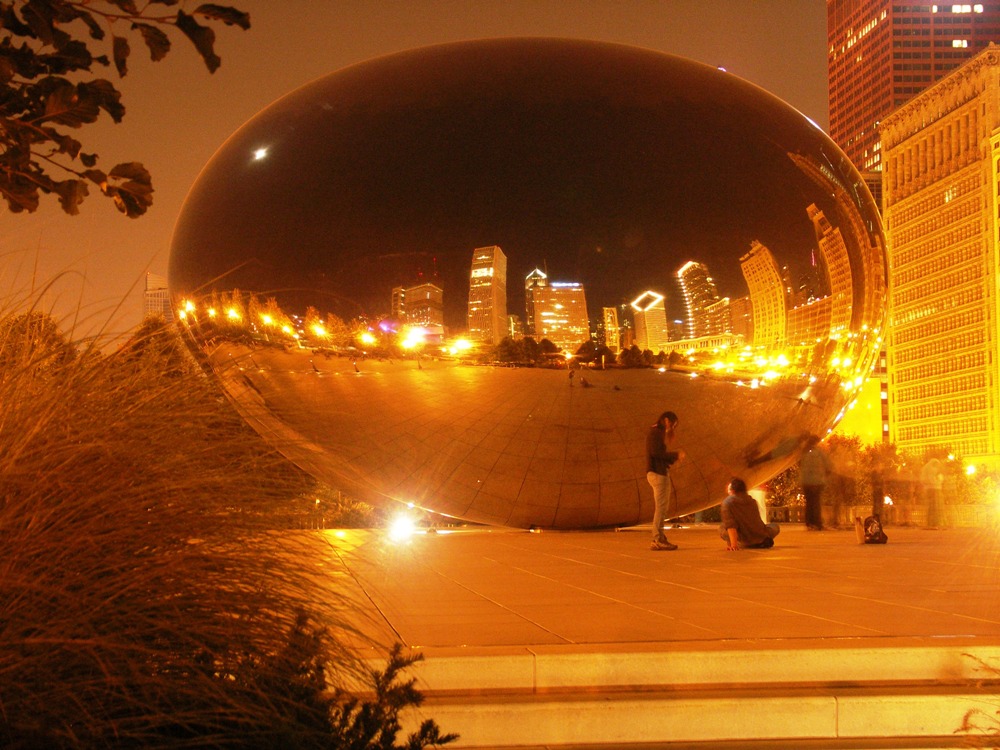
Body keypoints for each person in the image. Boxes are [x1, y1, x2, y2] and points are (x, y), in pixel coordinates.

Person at [647, 410, 685, 551]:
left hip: (658, 472)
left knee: (662, 508)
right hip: (658, 474)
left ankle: (659, 537)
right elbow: (656, 453)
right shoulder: (656, 432)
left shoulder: (657, 432)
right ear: (667, 420)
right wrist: (675, 455)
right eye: (673, 425)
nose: (672, 428)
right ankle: (657, 538)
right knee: (661, 508)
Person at [720, 477, 780, 551]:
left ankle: (741, 542)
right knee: (775, 527)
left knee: (722, 528)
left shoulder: (727, 503)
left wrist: (733, 545)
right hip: (760, 537)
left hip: (743, 539)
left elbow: (731, 526)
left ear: (732, 490)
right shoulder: (752, 501)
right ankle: (758, 540)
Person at [799, 434, 833, 530]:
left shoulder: (803, 452)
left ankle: (809, 523)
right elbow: (828, 464)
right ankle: (817, 523)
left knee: (809, 503)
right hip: (817, 481)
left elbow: (800, 465)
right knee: (816, 503)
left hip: (806, 481)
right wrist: (826, 475)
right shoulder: (818, 452)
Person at [920, 457, 944, 528]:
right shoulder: (932, 471)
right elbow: (934, 480)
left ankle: (932, 522)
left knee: (933, 507)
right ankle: (934, 522)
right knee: (934, 507)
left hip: (933, 489)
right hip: (934, 489)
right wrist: (936, 481)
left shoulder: (930, 470)